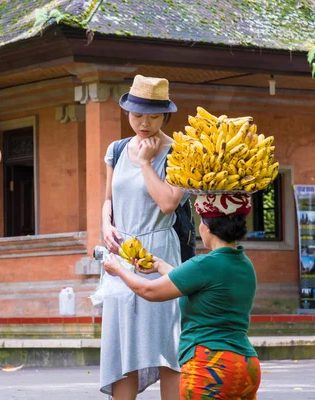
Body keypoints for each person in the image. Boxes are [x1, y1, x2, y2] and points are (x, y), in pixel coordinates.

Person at [103, 193, 261, 399]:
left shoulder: (204, 265)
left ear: (207, 226)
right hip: (246, 365)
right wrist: (158, 265)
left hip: (211, 366)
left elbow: (149, 291)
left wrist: (118, 269)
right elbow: (195, 282)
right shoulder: (244, 264)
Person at [100, 75, 184, 399]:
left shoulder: (178, 153)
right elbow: (108, 198)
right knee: (122, 349)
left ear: (165, 116)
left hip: (160, 252)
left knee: (167, 346)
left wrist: (146, 163)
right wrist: (105, 224)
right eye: (137, 115)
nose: (144, 123)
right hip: (122, 253)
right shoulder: (117, 149)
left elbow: (167, 202)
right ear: (127, 113)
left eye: (152, 116)